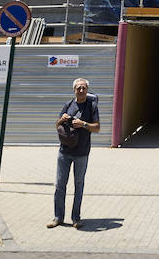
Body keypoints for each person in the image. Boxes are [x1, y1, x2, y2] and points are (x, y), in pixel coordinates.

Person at [49, 77, 99, 228]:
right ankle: (58, 217)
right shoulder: (68, 105)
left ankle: (76, 218)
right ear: (74, 90)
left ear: (87, 90)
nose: (81, 90)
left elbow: (96, 128)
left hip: (82, 153)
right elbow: (56, 125)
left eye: (83, 88)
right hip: (64, 152)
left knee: (79, 185)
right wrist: (61, 119)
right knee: (60, 185)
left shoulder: (91, 107)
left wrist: (83, 124)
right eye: (78, 88)